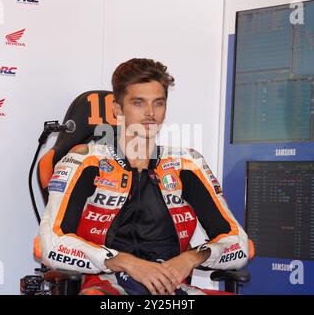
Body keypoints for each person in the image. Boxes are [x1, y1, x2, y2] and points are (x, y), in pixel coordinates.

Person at [38, 58, 249, 295]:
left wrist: (191, 258)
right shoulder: (84, 160)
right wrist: (125, 262)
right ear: (118, 109)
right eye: (138, 103)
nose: (150, 114)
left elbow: (239, 245)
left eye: (158, 103)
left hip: (171, 284)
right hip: (105, 284)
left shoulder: (187, 164)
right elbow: (51, 245)